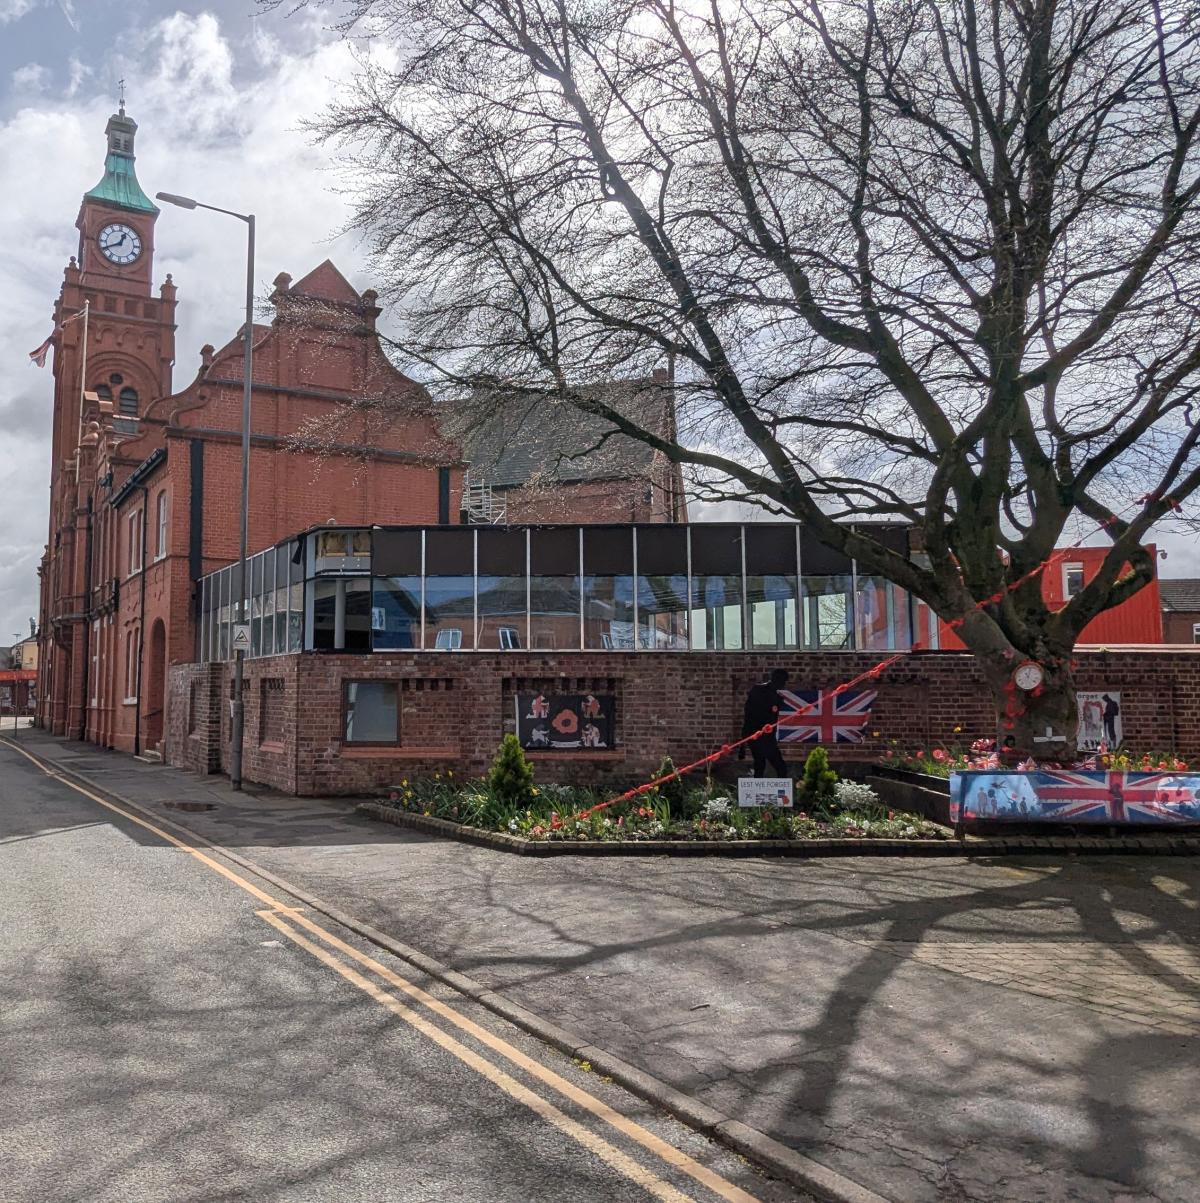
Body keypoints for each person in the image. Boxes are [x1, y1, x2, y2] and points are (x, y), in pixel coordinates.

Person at [738, 668, 790, 778]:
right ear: (778, 680)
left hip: (767, 737)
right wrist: (743, 743)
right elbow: (749, 714)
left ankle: (778, 792)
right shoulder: (759, 691)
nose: (784, 685)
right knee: (777, 766)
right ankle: (772, 793)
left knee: (762, 765)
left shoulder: (776, 697)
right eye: (784, 681)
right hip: (757, 734)